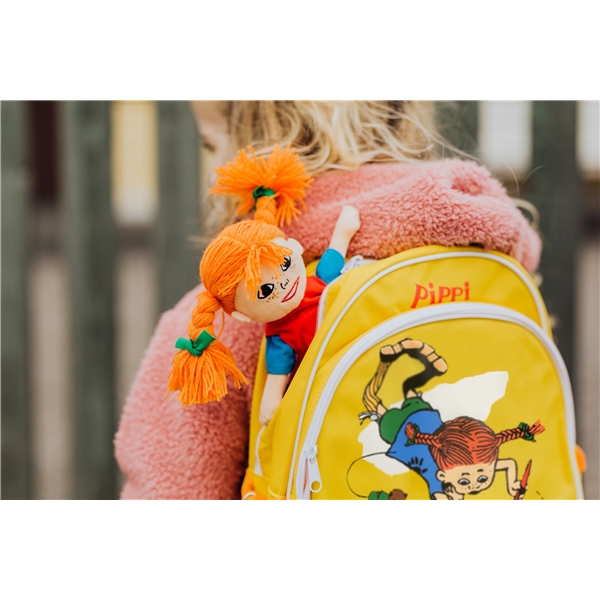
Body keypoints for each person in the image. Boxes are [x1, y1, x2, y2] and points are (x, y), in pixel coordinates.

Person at [114, 101, 542, 499]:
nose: (213, 175)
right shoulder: (482, 252)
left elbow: (172, 488)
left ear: (255, 150)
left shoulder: (227, 319)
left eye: (212, 146)